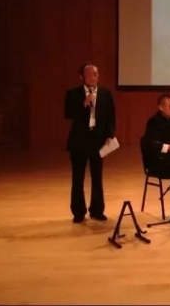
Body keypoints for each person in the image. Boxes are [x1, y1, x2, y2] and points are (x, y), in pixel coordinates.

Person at [63, 63, 116, 223]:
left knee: (97, 177)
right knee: (78, 178)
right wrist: (84, 103)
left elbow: (111, 117)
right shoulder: (73, 93)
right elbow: (68, 114)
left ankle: (97, 210)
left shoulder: (105, 94)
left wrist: (110, 135)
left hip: (98, 141)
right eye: (90, 74)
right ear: (81, 77)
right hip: (79, 142)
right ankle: (78, 212)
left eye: (96, 74)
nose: (94, 77)